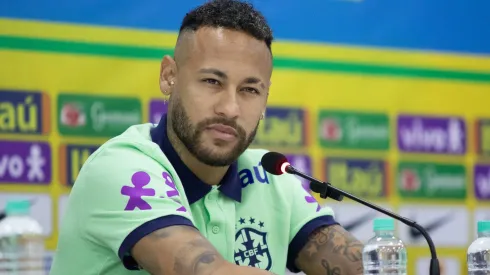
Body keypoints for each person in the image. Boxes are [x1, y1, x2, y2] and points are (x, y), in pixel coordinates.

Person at [50, 0, 364, 274]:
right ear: (169, 76)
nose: (230, 108)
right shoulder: (121, 167)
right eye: (212, 81)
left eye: (249, 90)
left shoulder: (273, 179)